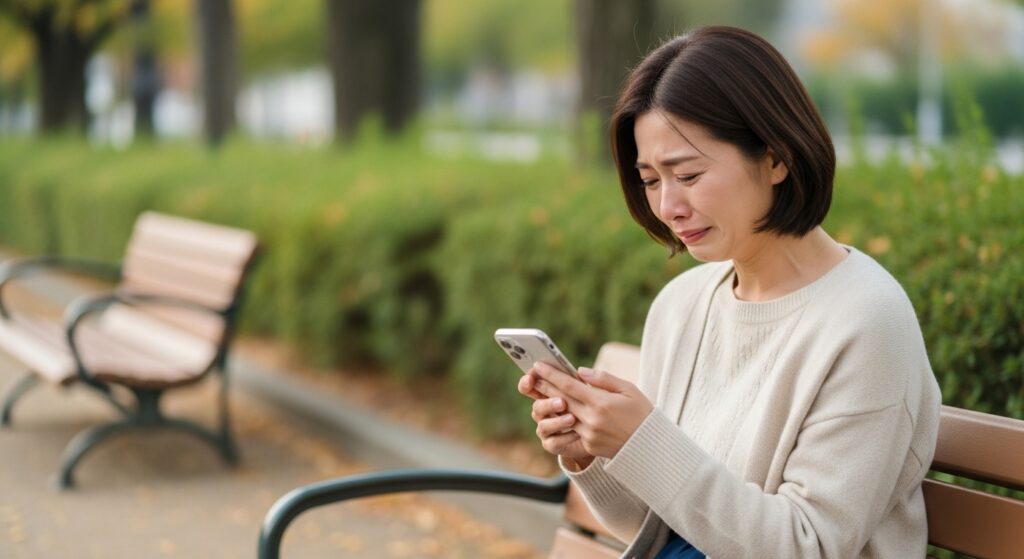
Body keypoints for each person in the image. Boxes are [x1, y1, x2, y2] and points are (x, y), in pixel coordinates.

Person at [517, 26, 941, 558]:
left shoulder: (867, 322)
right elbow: (661, 530)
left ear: (777, 158)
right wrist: (591, 454)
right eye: (650, 180)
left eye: (688, 174)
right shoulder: (682, 306)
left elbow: (808, 546)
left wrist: (643, 442)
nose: (667, 207)